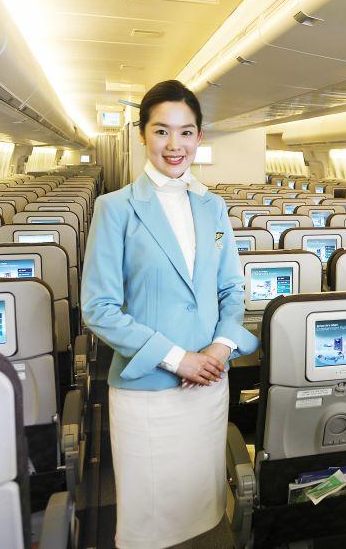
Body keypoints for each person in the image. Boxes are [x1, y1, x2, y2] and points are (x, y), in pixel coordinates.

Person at [81, 79, 258, 548]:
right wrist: (177, 358)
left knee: (203, 509)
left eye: (186, 132)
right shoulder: (114, 208)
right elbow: (98, 308)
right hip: (150, 392)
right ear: (143, 136)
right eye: (162, 132)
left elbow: (232, 288)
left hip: (210, 383)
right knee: (151, 521)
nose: (174, 145)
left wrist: (219, 348)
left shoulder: (213, 206)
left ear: (200, 136)